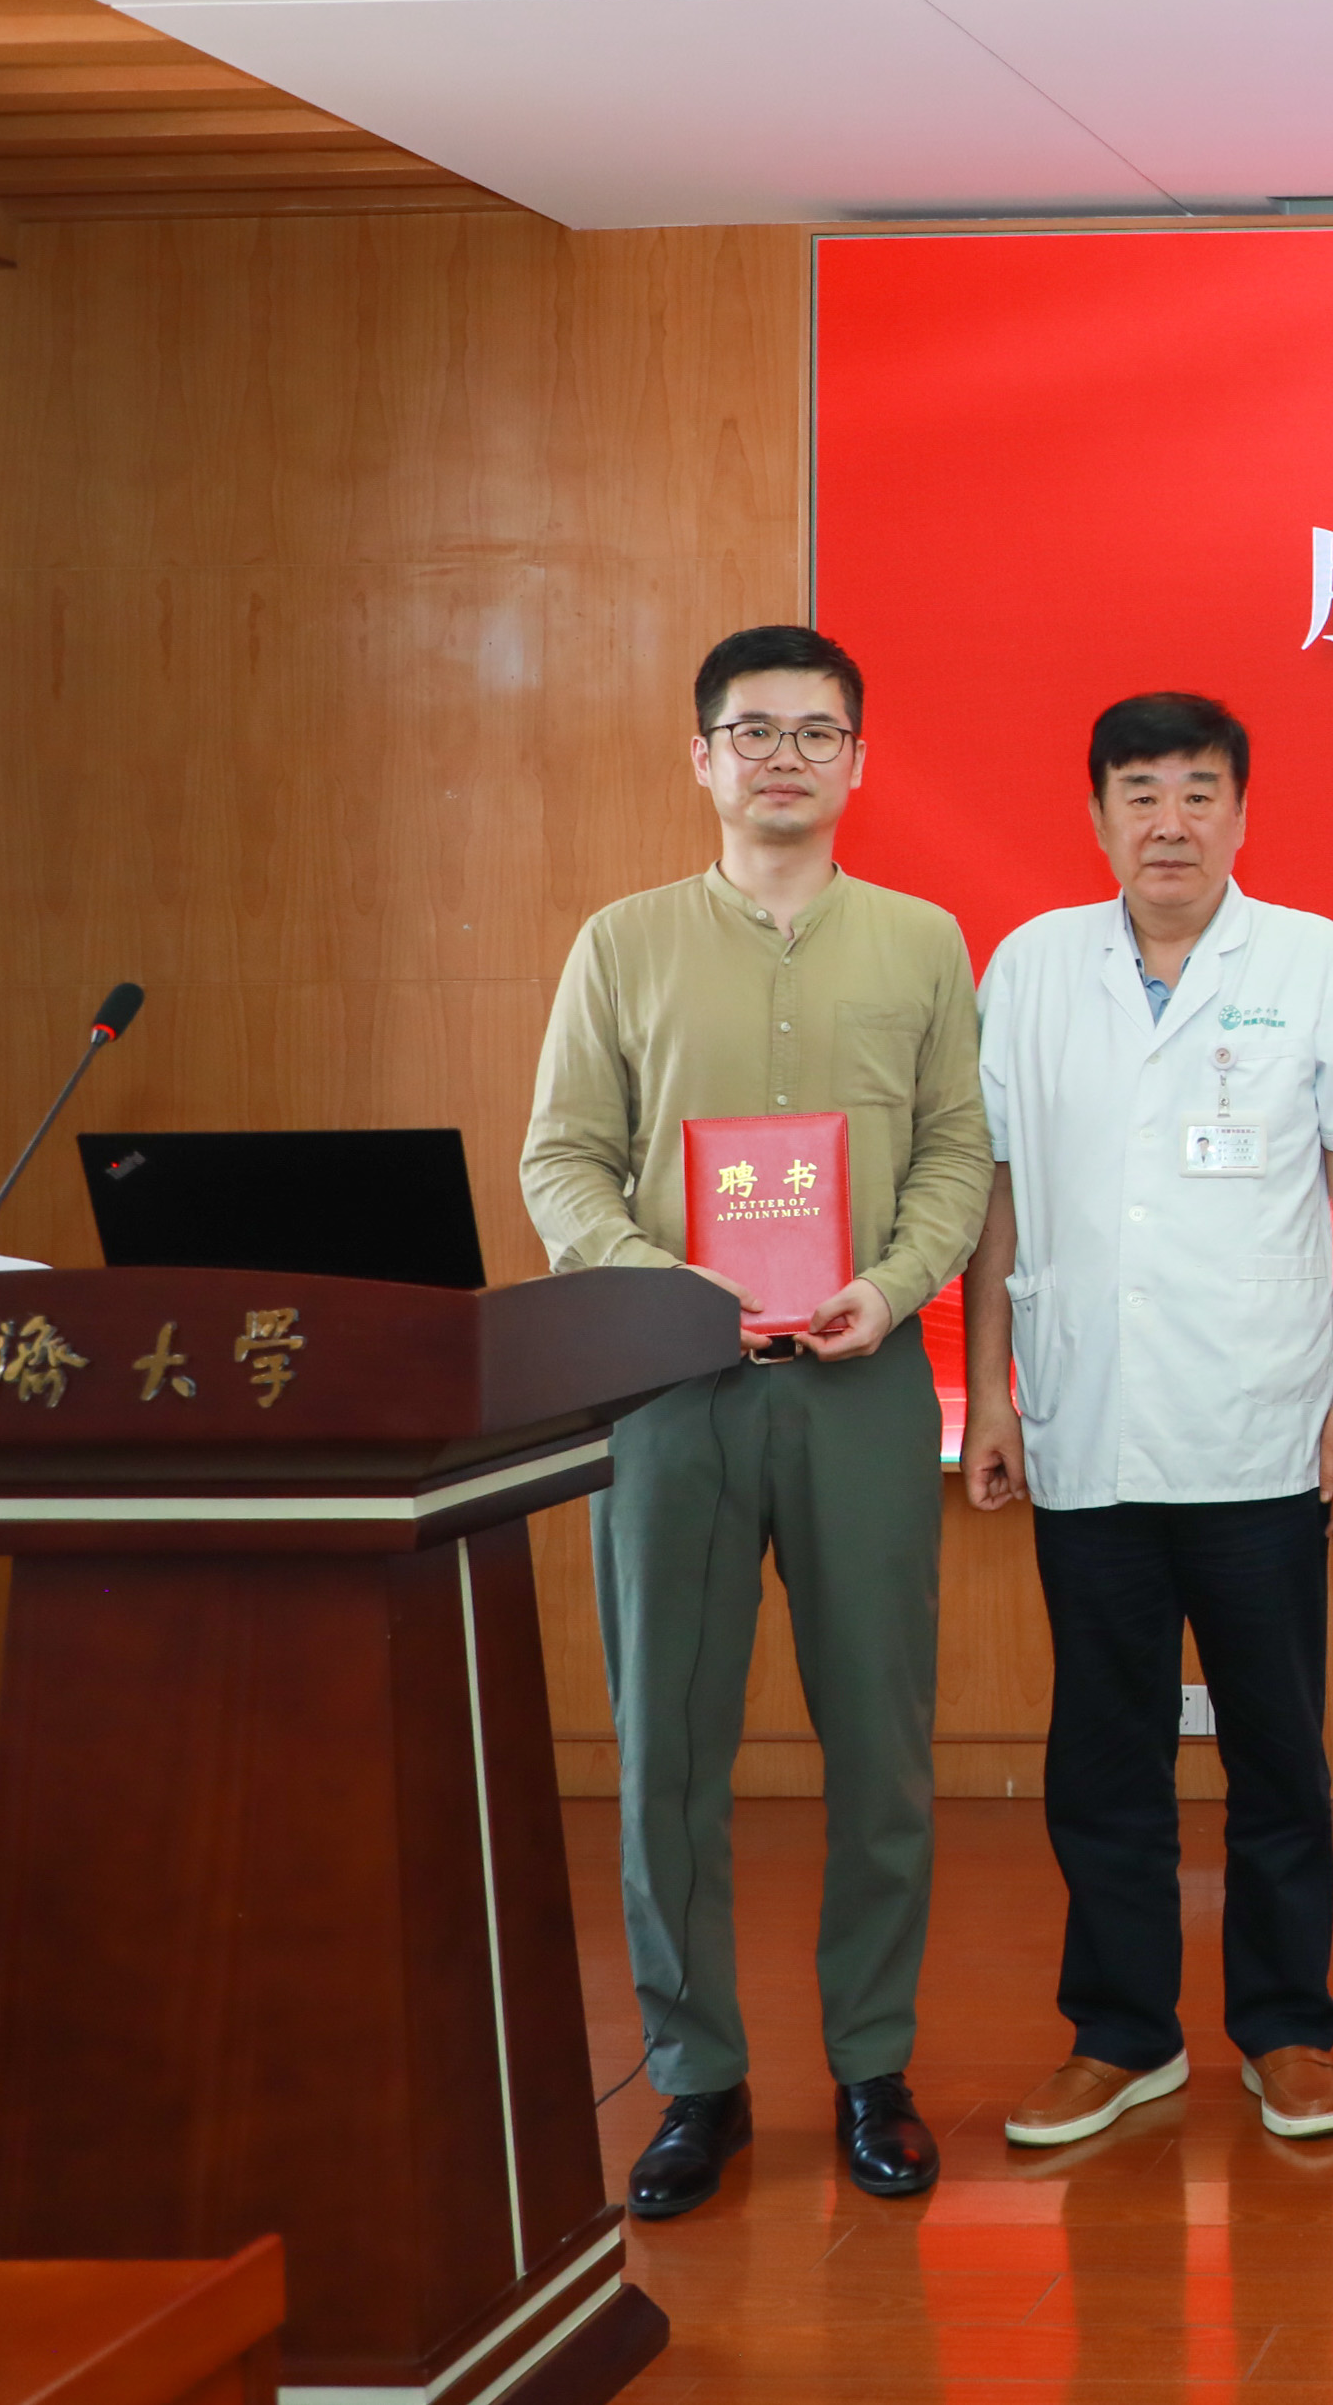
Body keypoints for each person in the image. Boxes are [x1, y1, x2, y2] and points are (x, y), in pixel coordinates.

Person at [522, 623, 992, 2216]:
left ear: (858, 757)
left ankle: (873, 2063)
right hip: (673, 1397)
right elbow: (560, 1159)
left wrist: (897, 1282)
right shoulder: (623, 942)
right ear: (702, 756)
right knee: (667, 1749)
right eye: (753, 730)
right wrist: (663, 1285)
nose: (784, 756)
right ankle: (697, 2078)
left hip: (861, 1385)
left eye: (815, 731)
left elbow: (957, 1153)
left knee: (883, 1746)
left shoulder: (922, 941)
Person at [957, 693, 1333, 2151]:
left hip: (1263, 1423)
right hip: (1086, 1418)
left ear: (1242, 814)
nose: (1170, 821)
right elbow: (998, 1189)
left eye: (1199, 792)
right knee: (1104, 1751)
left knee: (1277, 1749)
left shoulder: (1318, 964)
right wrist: (994, 1390)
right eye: (1140, 792)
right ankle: (1122, 2034)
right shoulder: (1031, 966)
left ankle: (1286, 2028)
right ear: (1096, 816)